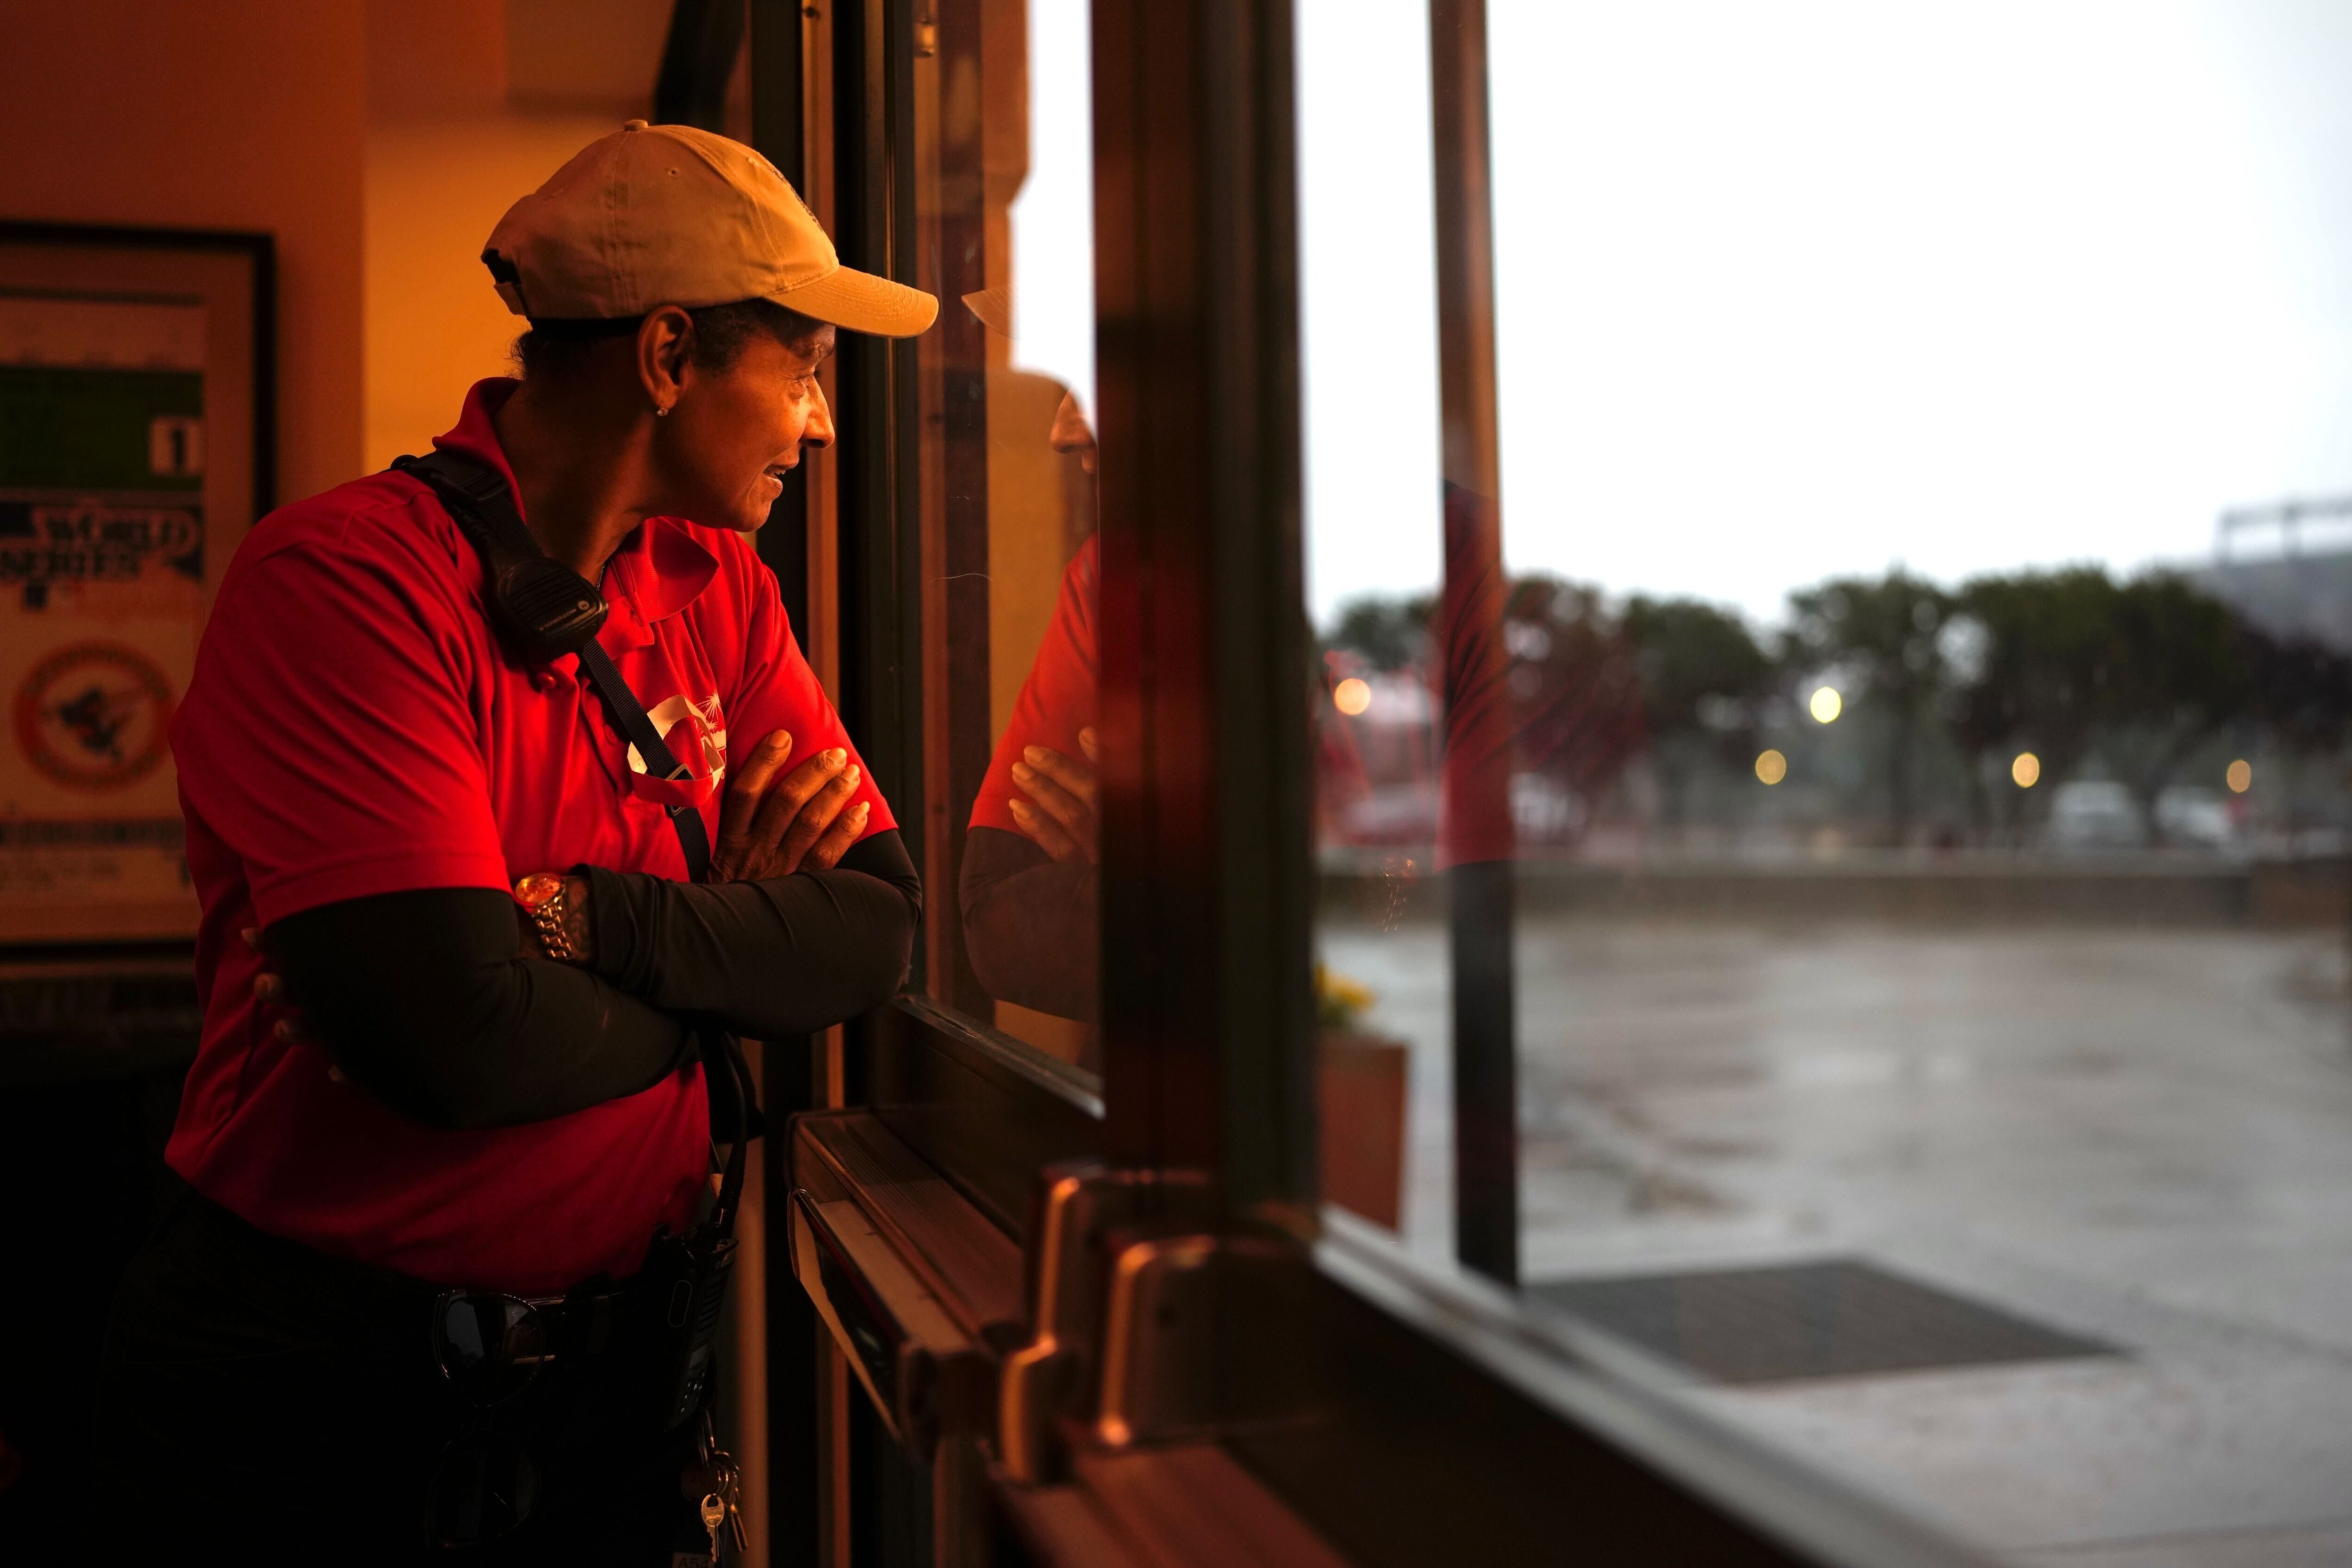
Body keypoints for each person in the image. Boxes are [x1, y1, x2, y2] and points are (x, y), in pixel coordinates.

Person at [99, 120, 936, 1564]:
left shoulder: (719, 588)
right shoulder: (349, 582)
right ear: (670, 356)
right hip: (321, 1402)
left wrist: (582, 924)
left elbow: (872, 928)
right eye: (800, 372)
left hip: (619, 1398)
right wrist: (721, 996)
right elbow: (462, 1042)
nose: (820, 423)